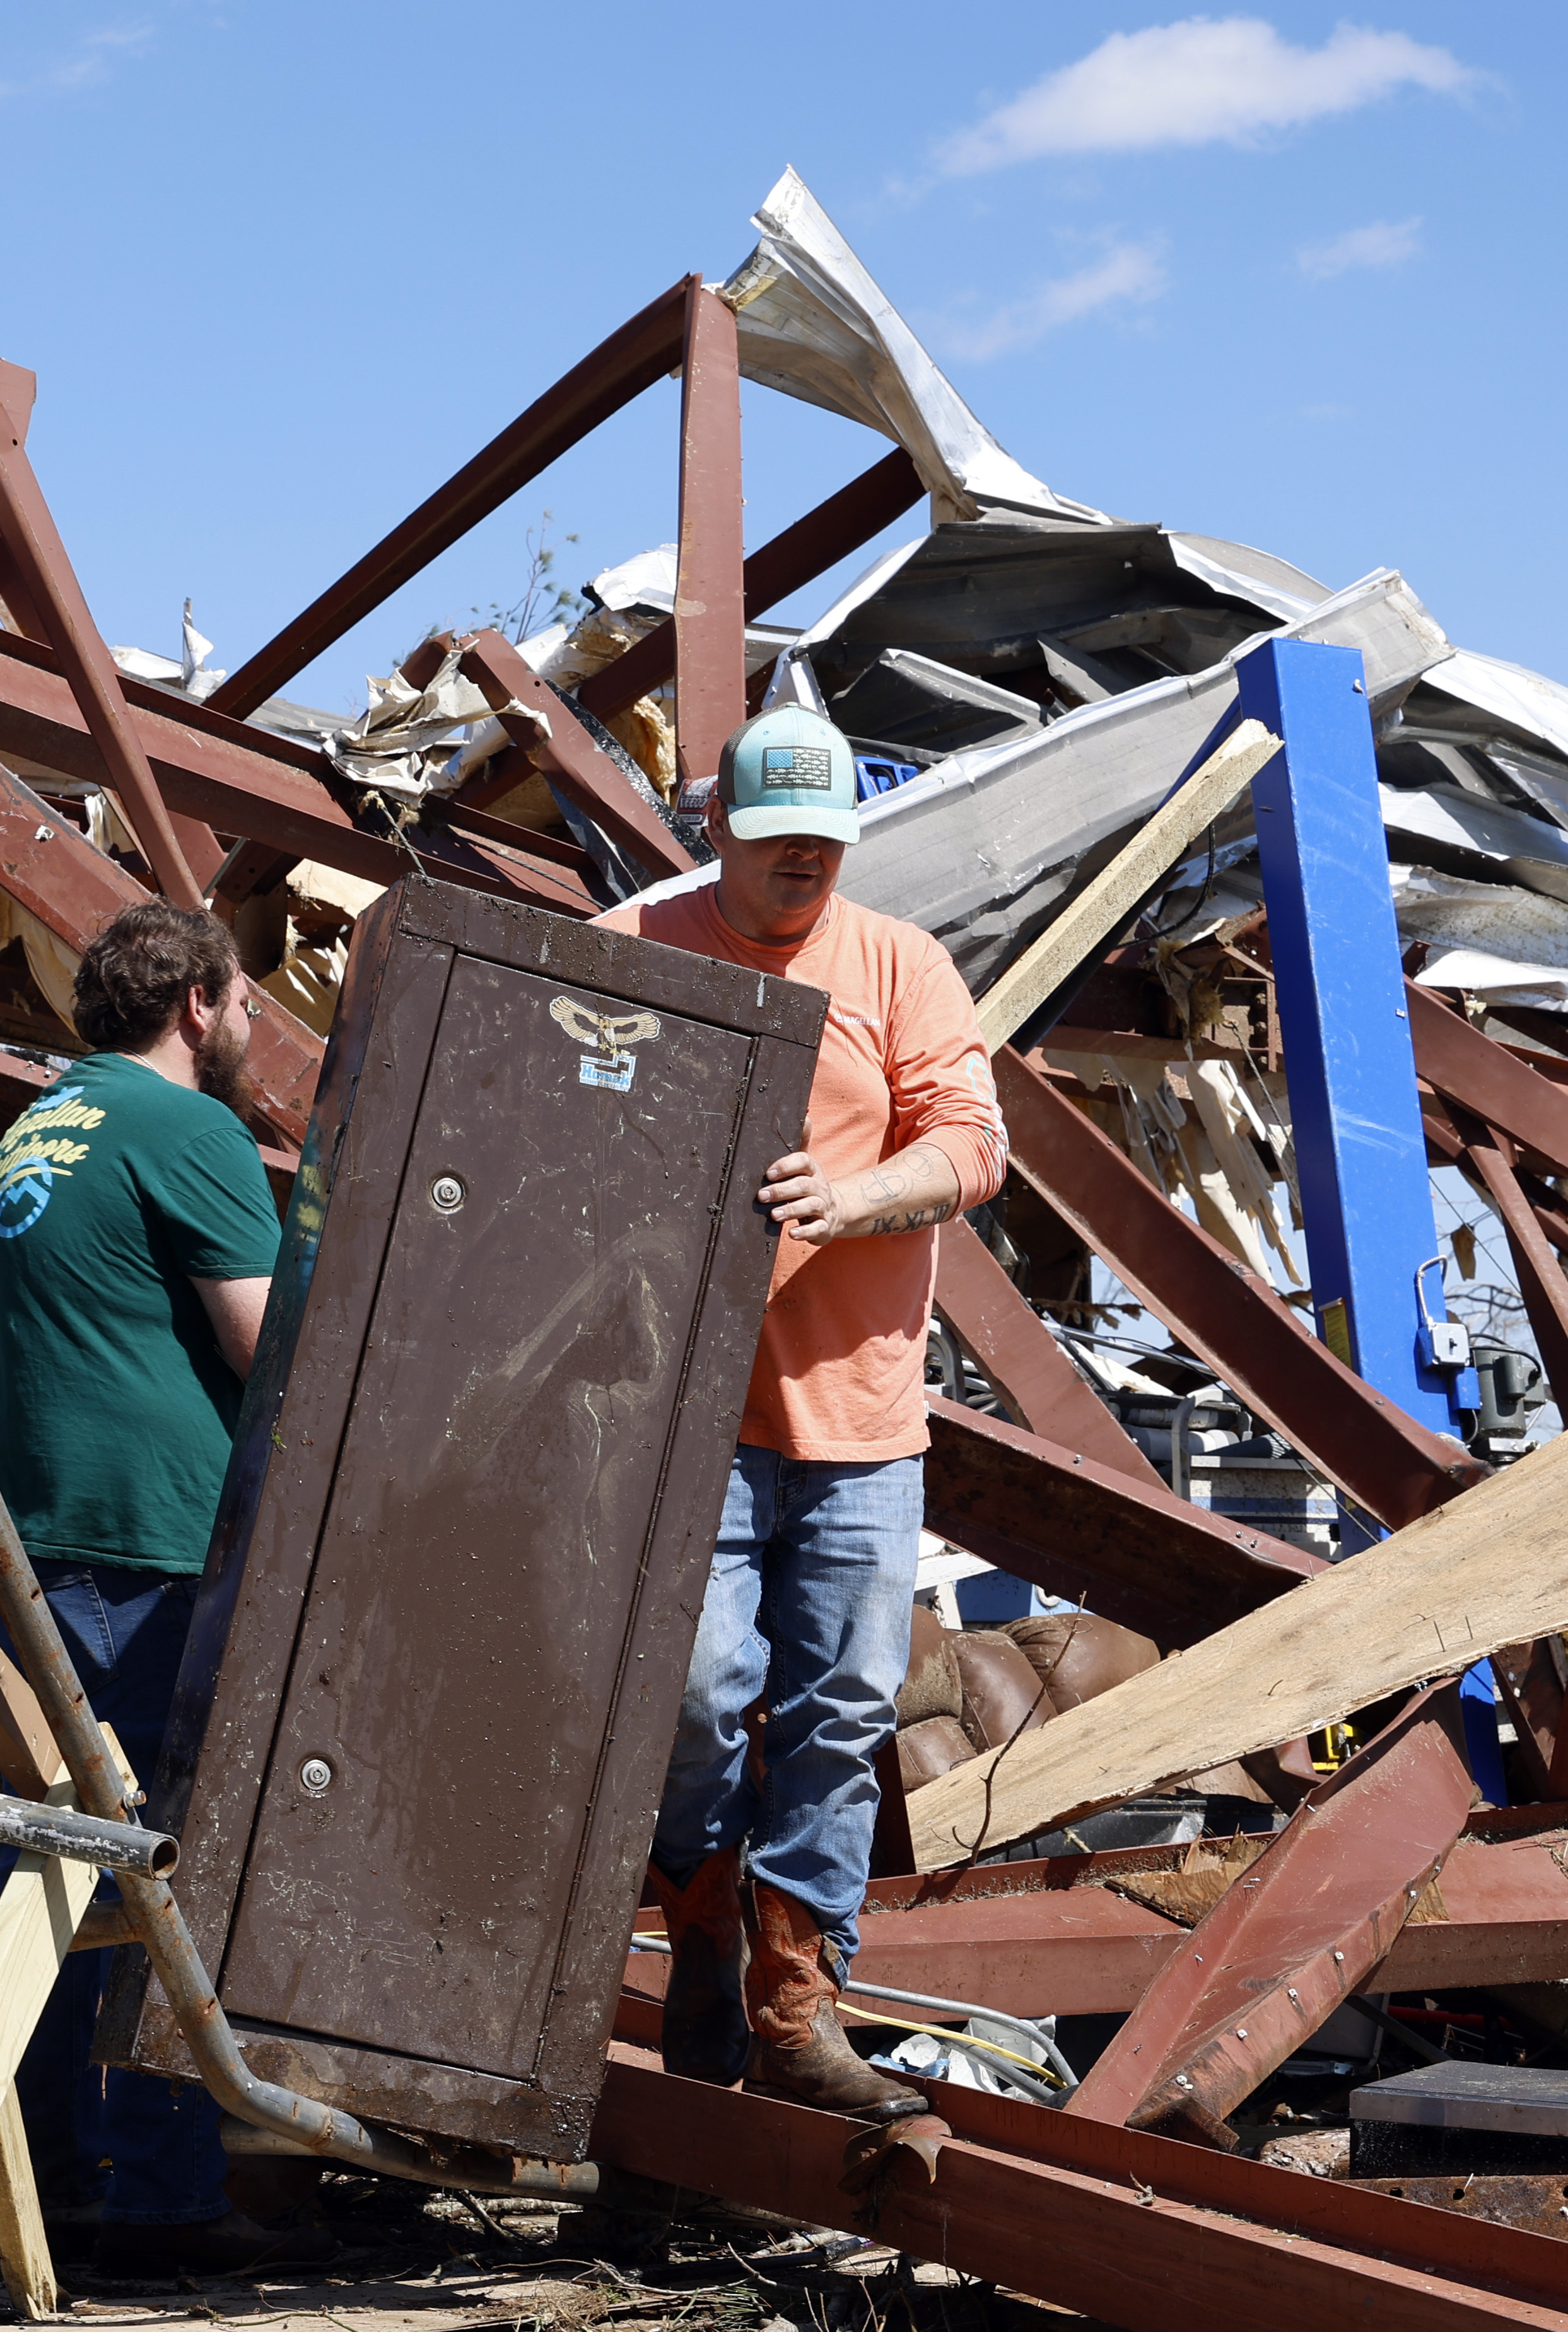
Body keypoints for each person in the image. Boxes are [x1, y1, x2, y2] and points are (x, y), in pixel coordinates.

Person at [597, 704, 1007, 2119]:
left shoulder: (900, 964)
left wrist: (852, 1200)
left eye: (825, 845)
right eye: (778, 846)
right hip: (689, 1415)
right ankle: (703, 1919)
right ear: (717, 829)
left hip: (861, 1417)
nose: (804, 870)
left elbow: (968, 1145)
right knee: (699, 1693)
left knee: (841, 1708)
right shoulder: (639, 945)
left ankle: (791, 1996)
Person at [0, 901, 324, 2272]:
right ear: (199, 1004)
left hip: (32, 1547)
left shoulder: (36, 1129)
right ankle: (162, 2197)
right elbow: (265, 1352)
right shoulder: (187, 1129)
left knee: (40, 1865)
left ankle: (37, 2177)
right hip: (145, 1550)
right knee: (157, 1864)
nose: (247, 1034)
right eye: (243, 1008)